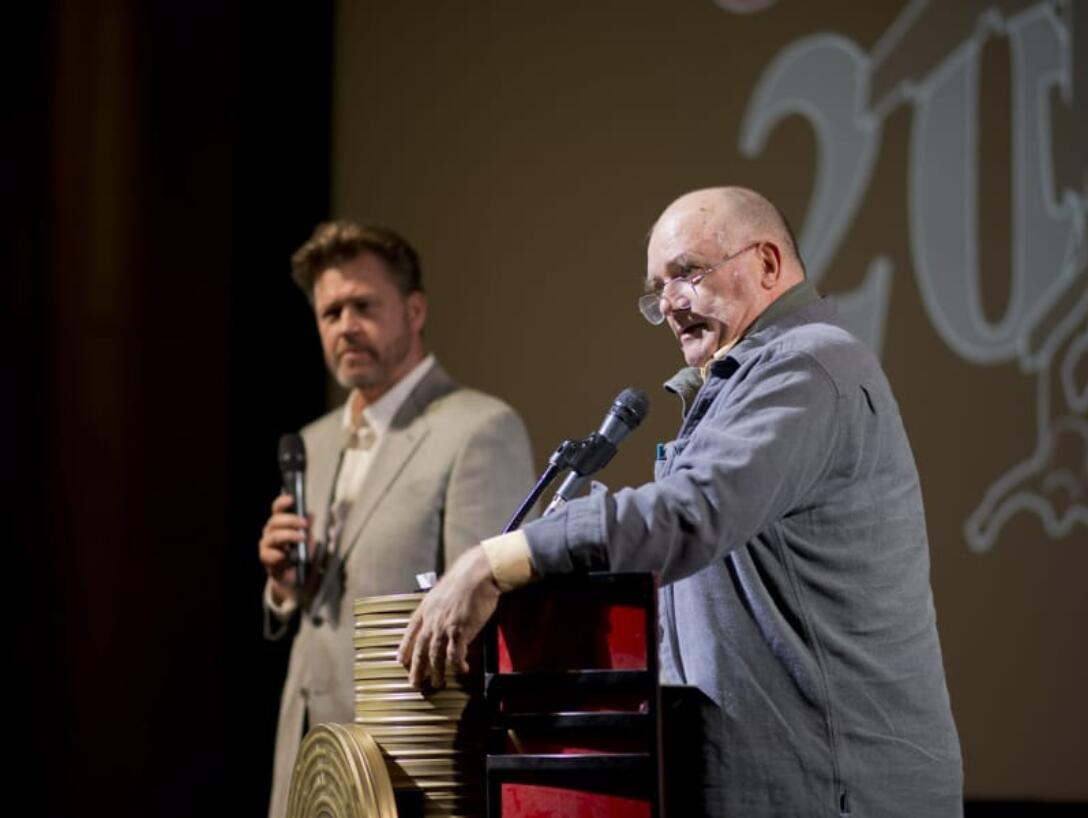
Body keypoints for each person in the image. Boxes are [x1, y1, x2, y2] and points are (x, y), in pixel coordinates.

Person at [397, 187, 963, 817]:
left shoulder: (807, 366)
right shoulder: (745, 379)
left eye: (688, 273)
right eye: (657, 287)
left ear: (768, 265)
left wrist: (497, 559)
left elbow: (690, 512)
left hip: (836, 792)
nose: (668, 303)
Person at [258, 221, 535, 818]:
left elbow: (485, 615)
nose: (345, 326)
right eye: (330, 313)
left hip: (410, 764)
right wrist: (286, 587)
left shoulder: (479, 428)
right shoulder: (313, 441)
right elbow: (320, 609)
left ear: (414, 310)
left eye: (363, 306)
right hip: (309, 759)